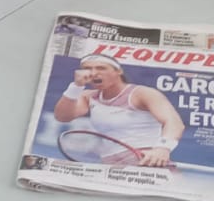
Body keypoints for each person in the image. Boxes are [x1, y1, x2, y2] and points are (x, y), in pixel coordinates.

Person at [54, 55, 185, 168]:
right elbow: (62, 116)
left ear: (118, 71)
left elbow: (174, 122)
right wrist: (76, 86)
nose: (93, 73)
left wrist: (163, 148)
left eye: (101, 68)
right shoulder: (88, 96)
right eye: (87, 69)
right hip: (109, 165)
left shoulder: (143, 93)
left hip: (145, 162)